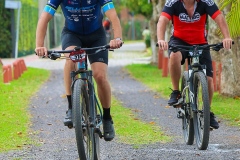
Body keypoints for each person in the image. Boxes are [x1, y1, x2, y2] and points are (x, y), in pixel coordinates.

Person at [35, 0, 123, 141]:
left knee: (100, 76)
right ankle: (71, 107)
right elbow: (44, 18)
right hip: (72, 35)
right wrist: (39, 46)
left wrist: (117, 38)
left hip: (96, 36)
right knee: (70, 59)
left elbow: (113, 16)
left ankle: (107, 118)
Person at [157, 0, 233, 129]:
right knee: (174, 55)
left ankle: (207, 112)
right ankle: (176, 92)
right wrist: (160, 39)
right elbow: (162, 20)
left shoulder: (205, 2)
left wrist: (226, 37)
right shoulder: (173, 3)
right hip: (179, 41)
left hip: (200, 43)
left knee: (208, 79)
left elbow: (219, 17)